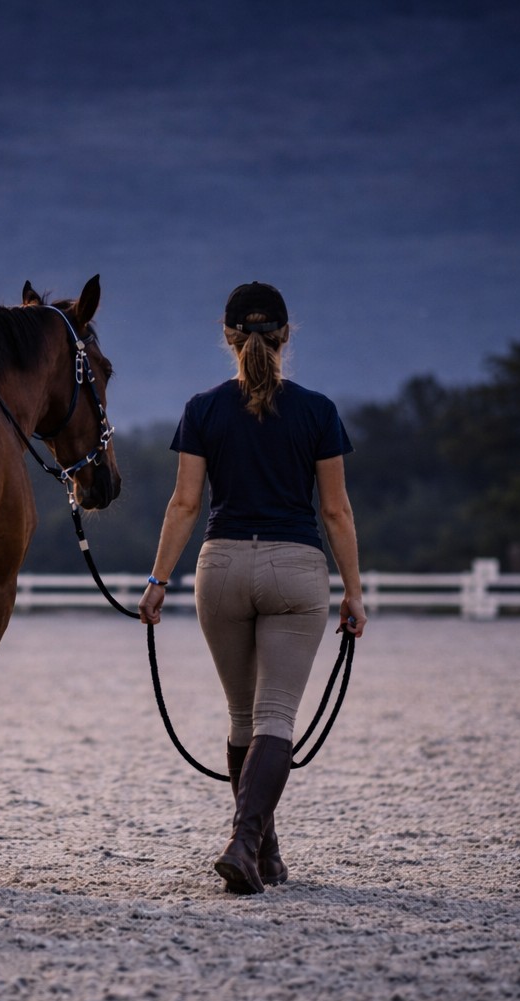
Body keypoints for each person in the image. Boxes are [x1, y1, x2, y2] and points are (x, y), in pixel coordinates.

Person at [138, 281, 367, 895]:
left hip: (221, 569)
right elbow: (337, 512)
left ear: (229, 337)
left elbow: (185, 503)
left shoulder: (203, 408)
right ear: (286, 336)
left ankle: (262, 852)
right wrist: (354, 592)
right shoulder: (318, 411)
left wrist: (159, 580)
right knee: (275, 716)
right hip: (296, 568)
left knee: (244, 718)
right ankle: (246, 844)